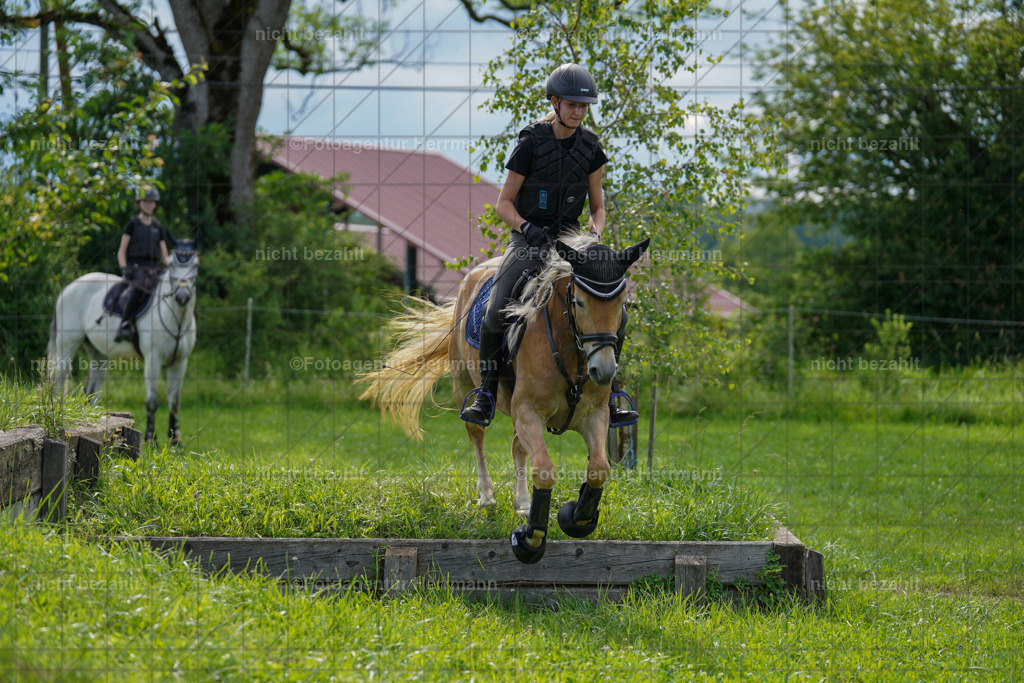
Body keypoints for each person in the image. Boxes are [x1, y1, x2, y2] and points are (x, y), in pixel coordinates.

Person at [460, 63, 639, 428]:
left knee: (613, 309)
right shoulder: (530, 144)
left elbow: (598, 207)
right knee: (497, 307)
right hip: (528, 240)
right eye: (572, 104)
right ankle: (487, 393)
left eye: (584, 106)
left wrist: (595, 232)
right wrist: (526, 227)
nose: (578, 111)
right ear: (555, 102)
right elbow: (503, 204)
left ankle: (615, 394)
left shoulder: (591, 148)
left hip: (573, 243)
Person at [114, 186, 172, 342]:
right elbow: (121, 251)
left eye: (152, 202)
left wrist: (173, 265)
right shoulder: (133, 224)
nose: (149, 205)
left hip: (154, 269)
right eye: (145, 201)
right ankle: (124, 326)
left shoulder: (158, 226)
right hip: (136, 268)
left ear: (155, 204)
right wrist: (124, 269)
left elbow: (164, 255)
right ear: (139, 203)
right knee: (137, 289)